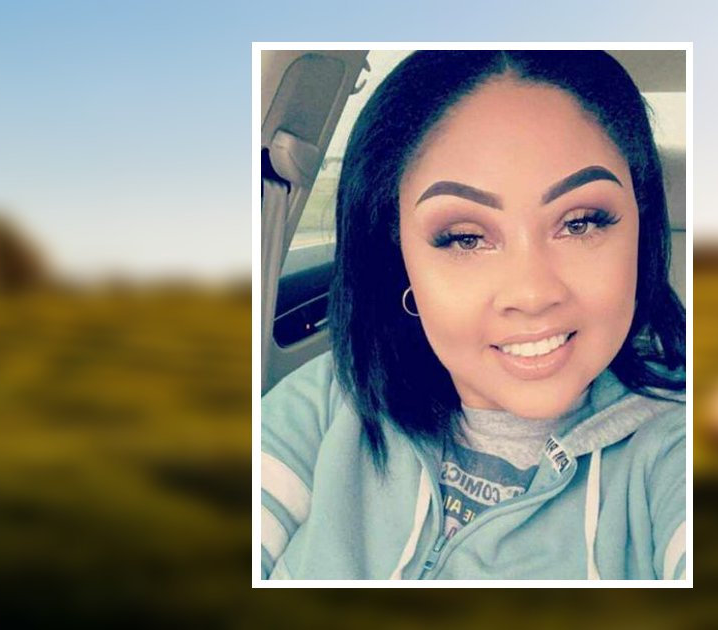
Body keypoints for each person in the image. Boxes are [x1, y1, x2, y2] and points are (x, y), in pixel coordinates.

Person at [260, 50, 687, 580]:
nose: (532, 293)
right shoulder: (330, 401)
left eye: (580, 222)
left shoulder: (676, 444)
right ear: (400, 255)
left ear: (640, 226)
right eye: (464, 237)